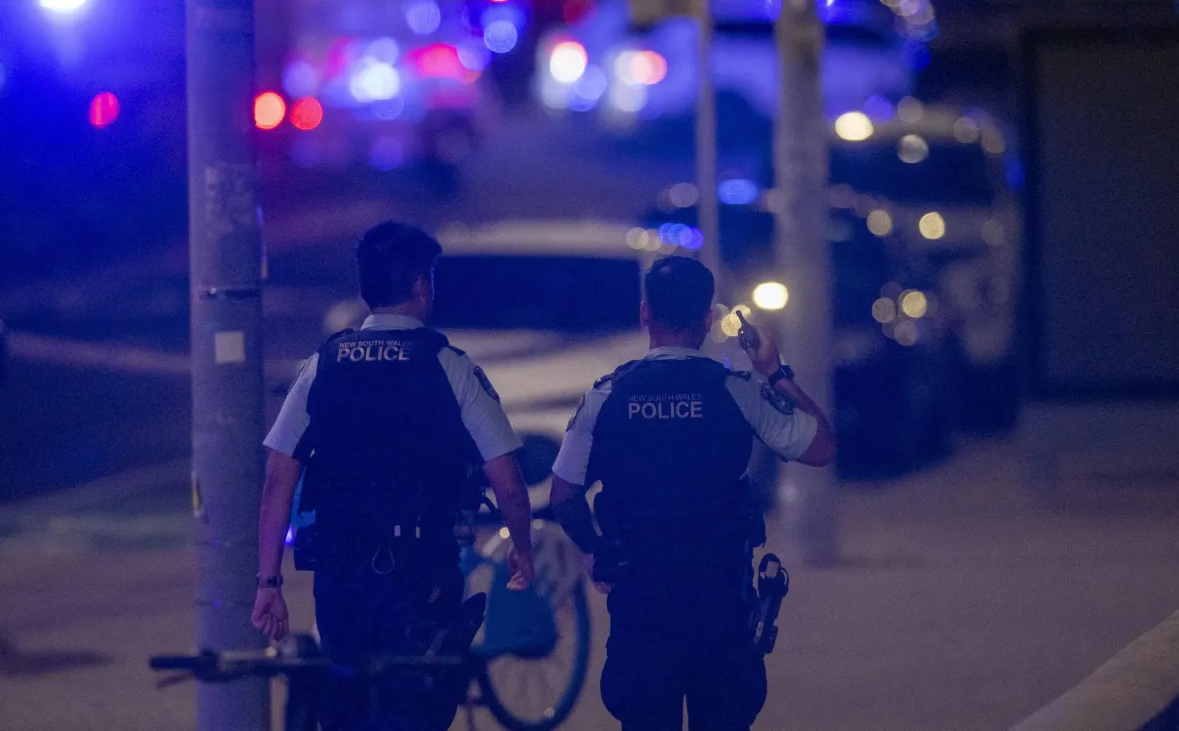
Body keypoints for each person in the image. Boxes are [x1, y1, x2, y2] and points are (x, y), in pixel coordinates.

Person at [252, 220, 535, 731]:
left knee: (346, 707)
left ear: (366, 290)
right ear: (423, 286)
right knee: (416, 708)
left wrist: (268, 581)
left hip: (341, 574)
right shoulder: (449, 366)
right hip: (421, 571)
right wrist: (523, 547)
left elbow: (278, 476)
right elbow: (507, 479)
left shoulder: (323, 365)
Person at [550, 255, 835, 731]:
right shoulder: (736, 389)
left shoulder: (607, 395)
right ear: (707, 319)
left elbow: (563, 496)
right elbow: (821, 446)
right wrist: (775, 370)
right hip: (718, 598)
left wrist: (596, 551)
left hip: (641, 601)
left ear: (645, 313)